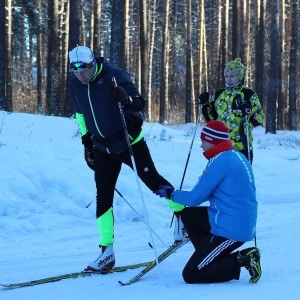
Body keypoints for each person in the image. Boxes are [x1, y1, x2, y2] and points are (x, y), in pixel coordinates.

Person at [68, 45, 186, 272]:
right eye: (75, 71)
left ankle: (183, 215)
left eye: (84, 70)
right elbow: (81, 114)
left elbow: (139, 103)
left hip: (129, 141)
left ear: (93, 64)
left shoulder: (114, 76)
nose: (80, 75)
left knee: (153, 181)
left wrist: (127, 101)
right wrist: (87, 143)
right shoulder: (76, 84)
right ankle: (106, 252)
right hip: (103, 148)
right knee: (103, 197)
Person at [155, 120, 262, 284]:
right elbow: (205, 193)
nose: (201, 145)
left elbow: (194, 198)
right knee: (189, 216)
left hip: (230, 230)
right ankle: (210, 256)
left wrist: (171, 193)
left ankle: (243, 259)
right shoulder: (235, 156)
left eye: (203, 141)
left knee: (191, 274)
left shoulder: (220, 162)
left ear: (212, 141)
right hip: (236, 219)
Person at [198, 58, 264, 163]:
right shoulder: (220, 94)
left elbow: (259, 116)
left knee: (239, 176)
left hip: (241, 144)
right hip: (220, 144)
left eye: (232, 76)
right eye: (226, 76)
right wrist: (205, 104)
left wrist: (248, 112)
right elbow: (212, 119)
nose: (229, 79)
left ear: (240, 77)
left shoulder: (248, 94)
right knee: (221, 176)